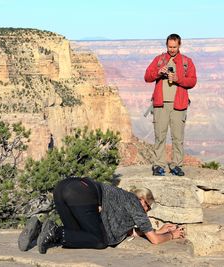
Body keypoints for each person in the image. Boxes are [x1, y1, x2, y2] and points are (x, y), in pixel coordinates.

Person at [18, 177, 185, 254]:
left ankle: (39, 229)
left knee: (78, 236)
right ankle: (54, 232)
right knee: (99, 242)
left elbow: (129, 231)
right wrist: (171, 235)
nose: (146, 211)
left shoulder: (121, 200)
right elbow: (154, 241)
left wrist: (160, 231)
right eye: (147, 207)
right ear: (143, 200)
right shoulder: (135, 203)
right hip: (81, 192)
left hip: (62, 187)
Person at [144, 33, 197, 176]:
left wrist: (178, 79)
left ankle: (176, 165)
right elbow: (147, 77)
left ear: (179, 45)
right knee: (160, 136)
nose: (172, 49)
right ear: (166, 45)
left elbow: (192, 81)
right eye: (169, 46)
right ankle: (158, 165)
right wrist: (158, 72)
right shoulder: (159, 60)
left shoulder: (186, 61)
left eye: (174, 47)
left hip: (179, 104)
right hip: (160, 104)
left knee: (177, 137)